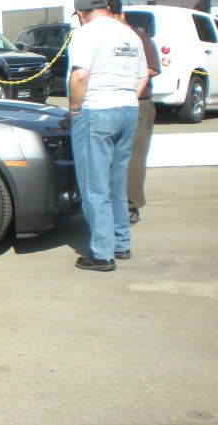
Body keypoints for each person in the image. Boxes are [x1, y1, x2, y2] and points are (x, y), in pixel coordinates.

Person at [68, 0, 148, 272]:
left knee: (94, 185)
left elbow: (80, 76)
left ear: (81, 13)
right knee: (117, 182)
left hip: (96, 110)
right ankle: (121, 242)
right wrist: (125, 98)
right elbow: (143, 77)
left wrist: (74, 110)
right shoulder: (129, 33)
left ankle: (102, 253)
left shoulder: (85, 33)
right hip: (128, 108)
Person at [107, 0, 161, 226]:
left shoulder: (139, 37)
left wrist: (127, 75)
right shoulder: (103, 37)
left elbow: (152, 68)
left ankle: (131, 206)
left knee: (134, 157)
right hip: (107, 102)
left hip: (138, 102)